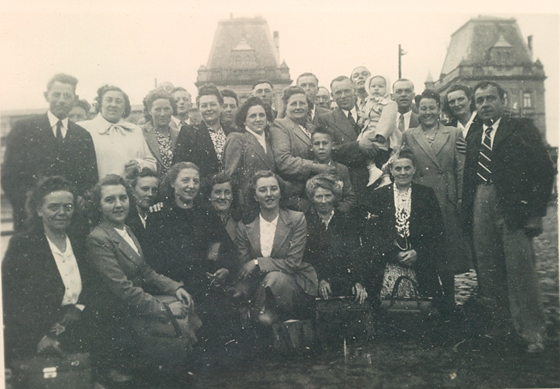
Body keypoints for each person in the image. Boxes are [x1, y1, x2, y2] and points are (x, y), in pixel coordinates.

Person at [462, 81, 555, 353]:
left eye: (491, 98)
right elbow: (469, 177)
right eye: (479, 100)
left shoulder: (521, 128)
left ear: (503, 100)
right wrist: (469, 215)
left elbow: (544, 170)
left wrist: (535, 214)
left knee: (520, 270)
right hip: (481, 200)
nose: (485, 104)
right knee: (489, 270)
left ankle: (532, 333)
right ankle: (501, 329)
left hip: (513, 206)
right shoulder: (474, 135)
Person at [85, 174, 195, 379]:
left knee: (187, 307)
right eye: (110, 200)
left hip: (136, 306)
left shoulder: (125, 229)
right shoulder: (98, 239)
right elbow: (123, 290)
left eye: (123, 198)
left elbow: (146, 272)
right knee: (179, 320)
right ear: (99, 206)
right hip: (121, 315)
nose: (118, 205)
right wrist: (165, 309)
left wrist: (175, 287)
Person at [144, 162, 238, 346]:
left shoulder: (206, 212)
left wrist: (219, 267)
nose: (191, 185)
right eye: (185, 180)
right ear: (172, 183)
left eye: (195, 181)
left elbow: (218, 243)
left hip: (204, 281)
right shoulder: (159, 214)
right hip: (175, 284)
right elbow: (154, 258)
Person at [3, 177, 91, 363]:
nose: (62, 213)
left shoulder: (80, 241)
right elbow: (10, 300)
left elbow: (92, 284)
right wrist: (39, 338)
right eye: (53, 207)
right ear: (39, 210)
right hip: (39, 334)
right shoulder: (23, 245)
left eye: (68, 207)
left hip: (80, 325)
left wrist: (79, 307)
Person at [2, 73, 98, 231]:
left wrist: (80, 200)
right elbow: (10, 178)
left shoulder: (83, 135)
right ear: (46, 96)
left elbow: (90, 178)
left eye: (67, 95)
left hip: (71, 221)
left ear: (74, 99)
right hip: (32, 220)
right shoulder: (24, 129)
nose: (61, 100)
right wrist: (31, 206)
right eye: (56, 94)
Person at [403, 89, 471, 307]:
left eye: (432, 107)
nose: (428, 112)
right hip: (422, 199)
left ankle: (450, 302)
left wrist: (459, 198)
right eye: (423, 108)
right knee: (426, 248)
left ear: (439, 109)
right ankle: (431, 301)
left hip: (446, 199)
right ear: (417, 110)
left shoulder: (453, 133)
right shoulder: (409, 134)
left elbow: (460, 169)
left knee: (447, 252)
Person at [232, 170, 318, 325]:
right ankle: (267, 316)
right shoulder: (245, 226)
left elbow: (292, 264)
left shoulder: (296, 219)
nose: (269, 194)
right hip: (260, 286)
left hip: (294, 284)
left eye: (274, 188)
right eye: (262, 190)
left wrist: (258, 262)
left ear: (280, 192)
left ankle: (260, 314)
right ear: (255, 196)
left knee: (275, 278)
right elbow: (245, 267)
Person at [363, 149, 444, 304]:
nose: (403, 173)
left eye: (407, 168)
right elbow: (372, 234)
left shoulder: (426, 194)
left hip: (420, 259)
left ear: (414, 170)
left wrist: (418, 252)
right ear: (391, 171)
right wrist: (394, 254)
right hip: (387, 259)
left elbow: (437, 231)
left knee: (427, 307)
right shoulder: (379, 196)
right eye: (398, 169)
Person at [317, 76, 379, 209]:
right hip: (349, 184)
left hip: (376, 180)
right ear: (332, 96)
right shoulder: (325, 119)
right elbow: (328, 151)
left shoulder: (371, 111)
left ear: (354, 91)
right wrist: (358, 146)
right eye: (338, 93)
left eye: (347, 91)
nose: (343, 96)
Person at [270, 86, 336, 211]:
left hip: (319, 193)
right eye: (293, 104)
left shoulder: (311, 128)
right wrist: (316, 167)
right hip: (296, 195)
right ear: (286, 106)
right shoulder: (280, 125)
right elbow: (283, 161)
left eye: (302, 103)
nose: (298, 107)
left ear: (308, 106)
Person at [304, 174, 366, 302]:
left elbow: (354, 253)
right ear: (312, 198)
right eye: (319, 196)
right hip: (314, 279)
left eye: (328, 196)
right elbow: (306, 257)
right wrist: (319, 280)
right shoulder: (305, 221)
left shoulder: (346, 220)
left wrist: (358, 282)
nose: (323, 201)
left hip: (343, 277)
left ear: (335, 197)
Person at [79, 85, 156, 179]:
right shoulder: (84, 128)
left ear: (124, 107)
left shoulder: (135, 130)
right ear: (100, 105)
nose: (113, 105)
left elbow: (152, 163)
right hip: (98, 190)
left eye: (119, 101)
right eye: (109, 100)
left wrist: (139, 164)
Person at [173, 84, 235, 180]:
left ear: (221, 106)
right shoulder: (188, 133)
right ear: (199, 109)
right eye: (204, 106)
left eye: (213, 104)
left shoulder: (232, 132)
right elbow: (178, 167)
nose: (209, 109)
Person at [224, 96, 276, 207]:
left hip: (269, 201)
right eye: (253, 116)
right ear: (244, 121)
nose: (258, 119)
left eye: (262, 115)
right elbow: (230, 176)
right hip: (247, 204)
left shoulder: (270, 140)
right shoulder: (237, 138)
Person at [358, 74, 399, 186]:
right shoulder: (369, 102)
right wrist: (361, 119)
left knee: (374, 154)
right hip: (368, 130)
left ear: (387, 88)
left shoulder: (388, 104)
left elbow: (388, 119)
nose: (376, 89)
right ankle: (384, 177)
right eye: (373, 86)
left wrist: (381, 134)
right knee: (363, 147)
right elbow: (366, 115)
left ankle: (373, 169)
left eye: (380, 86)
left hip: (377, 134)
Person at [310, 127, 356, 213]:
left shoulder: (342, 169)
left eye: (325, 143)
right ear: (311, 147)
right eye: (317, 144)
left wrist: (337, 213)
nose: (321, 147)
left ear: (333, 145)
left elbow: (350, 197)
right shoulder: (308, 169)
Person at [141, 88, 180, 178]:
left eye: (166, 109)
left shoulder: (179, 134)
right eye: (158, 109)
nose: (162, 114)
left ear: (172, 110)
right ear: (149, 111)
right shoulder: (140, 133)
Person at [126, 168, 159, 248]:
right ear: (133, 191)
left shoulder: (158, 214)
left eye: (154, 190)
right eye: (145, 189)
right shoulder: (126, 218)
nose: (150, 194)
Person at [204, 173, 242, 244]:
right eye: (217, 192)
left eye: (227, 193)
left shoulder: (239, 222)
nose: (223, 197)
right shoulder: (203, 222)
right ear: (209, 196)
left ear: (232, 196)